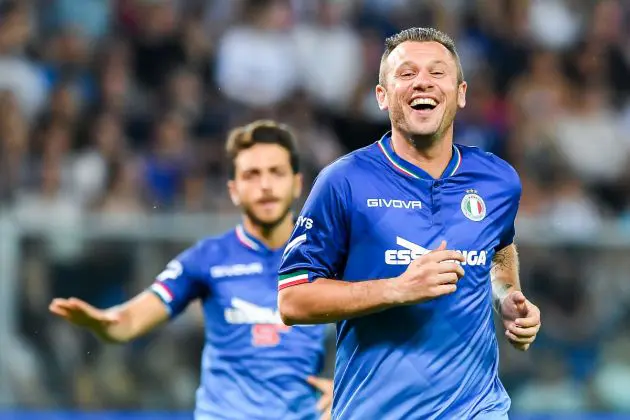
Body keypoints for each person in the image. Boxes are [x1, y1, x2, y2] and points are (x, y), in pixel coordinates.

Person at [277, 27, 542, 420]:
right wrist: (397, 289)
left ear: (461, 92)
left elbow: (499, 248)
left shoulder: (498, 181)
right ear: (382, 96)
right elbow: (293, 299)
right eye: (406, 73)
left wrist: (505, 296)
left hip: (478, 409)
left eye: (437, 72)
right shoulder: (343, 182)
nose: (423, 82)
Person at [49, 120, 333, 420]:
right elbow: (130, 320)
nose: (265, 185)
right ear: (234, 190)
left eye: (276, 173)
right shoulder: (206, 258)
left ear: (298, 184)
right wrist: (106, 323)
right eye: (251, 175)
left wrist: (344, 385)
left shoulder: (328, 261)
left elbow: (375, 337)